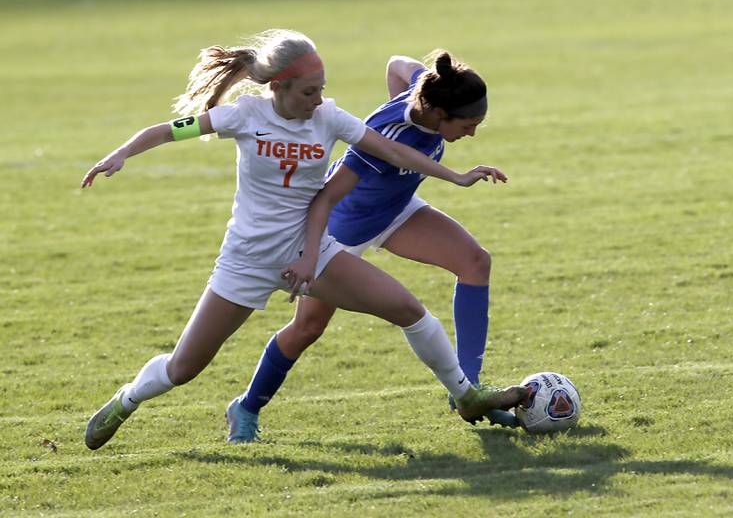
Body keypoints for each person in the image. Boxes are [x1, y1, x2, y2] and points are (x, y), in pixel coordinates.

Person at [80, 29, 529, 450]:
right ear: (277, 86)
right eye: (309, 92)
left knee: (410, 310)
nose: (318, 100)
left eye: (322, 88)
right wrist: (118, 154)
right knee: (183, 368)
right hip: (247, 258)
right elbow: (167, 130)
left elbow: (392, 149)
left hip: (309, 247)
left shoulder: (329, 117)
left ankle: (466, 394)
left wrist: (454, 176)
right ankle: (129, 398)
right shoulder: (241, 115)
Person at [224, 49, 520, 444]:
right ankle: (246, 407)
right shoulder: (384, 138)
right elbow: (327, 198)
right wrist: (313, 254)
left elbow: (397, 63)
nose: (472, 134)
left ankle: (468, 389)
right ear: (437, 115)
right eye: (468, 125)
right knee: (307, 328)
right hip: (343, 230)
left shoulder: (428, 89)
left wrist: (395, 94)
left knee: (474, 262)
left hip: (396, 211)